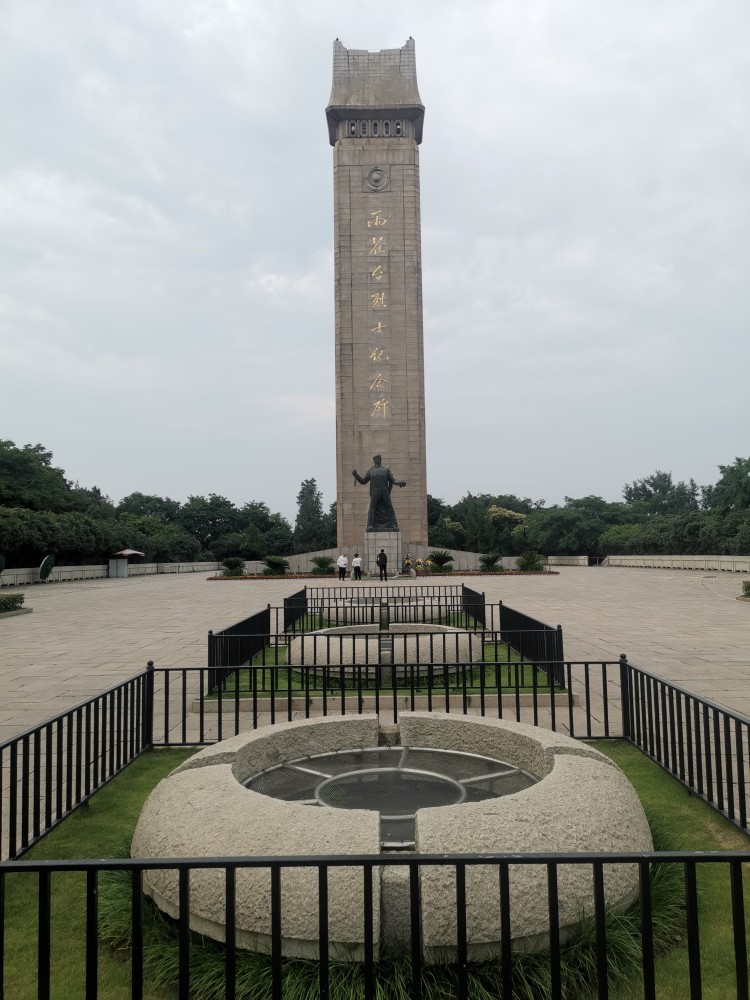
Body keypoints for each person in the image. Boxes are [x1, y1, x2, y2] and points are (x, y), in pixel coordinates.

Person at [352, 455, 406, 532]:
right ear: (374, 460)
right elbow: (364, 481)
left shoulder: (386, 470)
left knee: (389, 507)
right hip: (375, 492)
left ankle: (393, 525)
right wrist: (356, 475)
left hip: (384, 492)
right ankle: (370, 525)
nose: (379, 460)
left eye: (380, 459)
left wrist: (400, 482)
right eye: (378, 459)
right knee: (372, 508)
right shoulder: (370, 471)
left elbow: (393, 480)